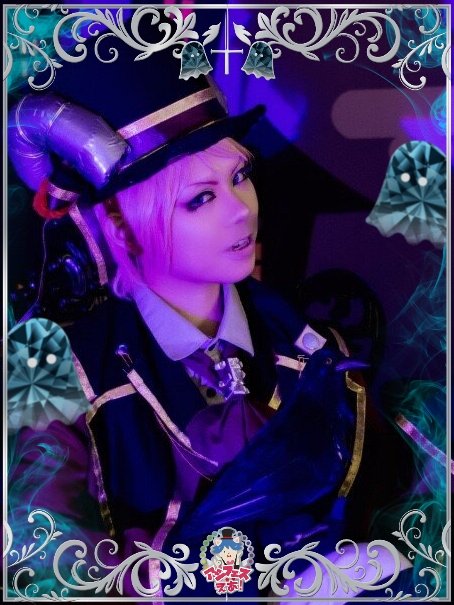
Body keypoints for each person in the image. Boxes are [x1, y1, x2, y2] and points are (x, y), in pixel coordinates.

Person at [7, 37, 389, 600]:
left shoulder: (316, 350)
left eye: (240, 176)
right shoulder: (57, 376)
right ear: (118, 226)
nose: (242, 209)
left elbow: (389, 504)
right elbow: (45, 561)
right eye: (199, 198)